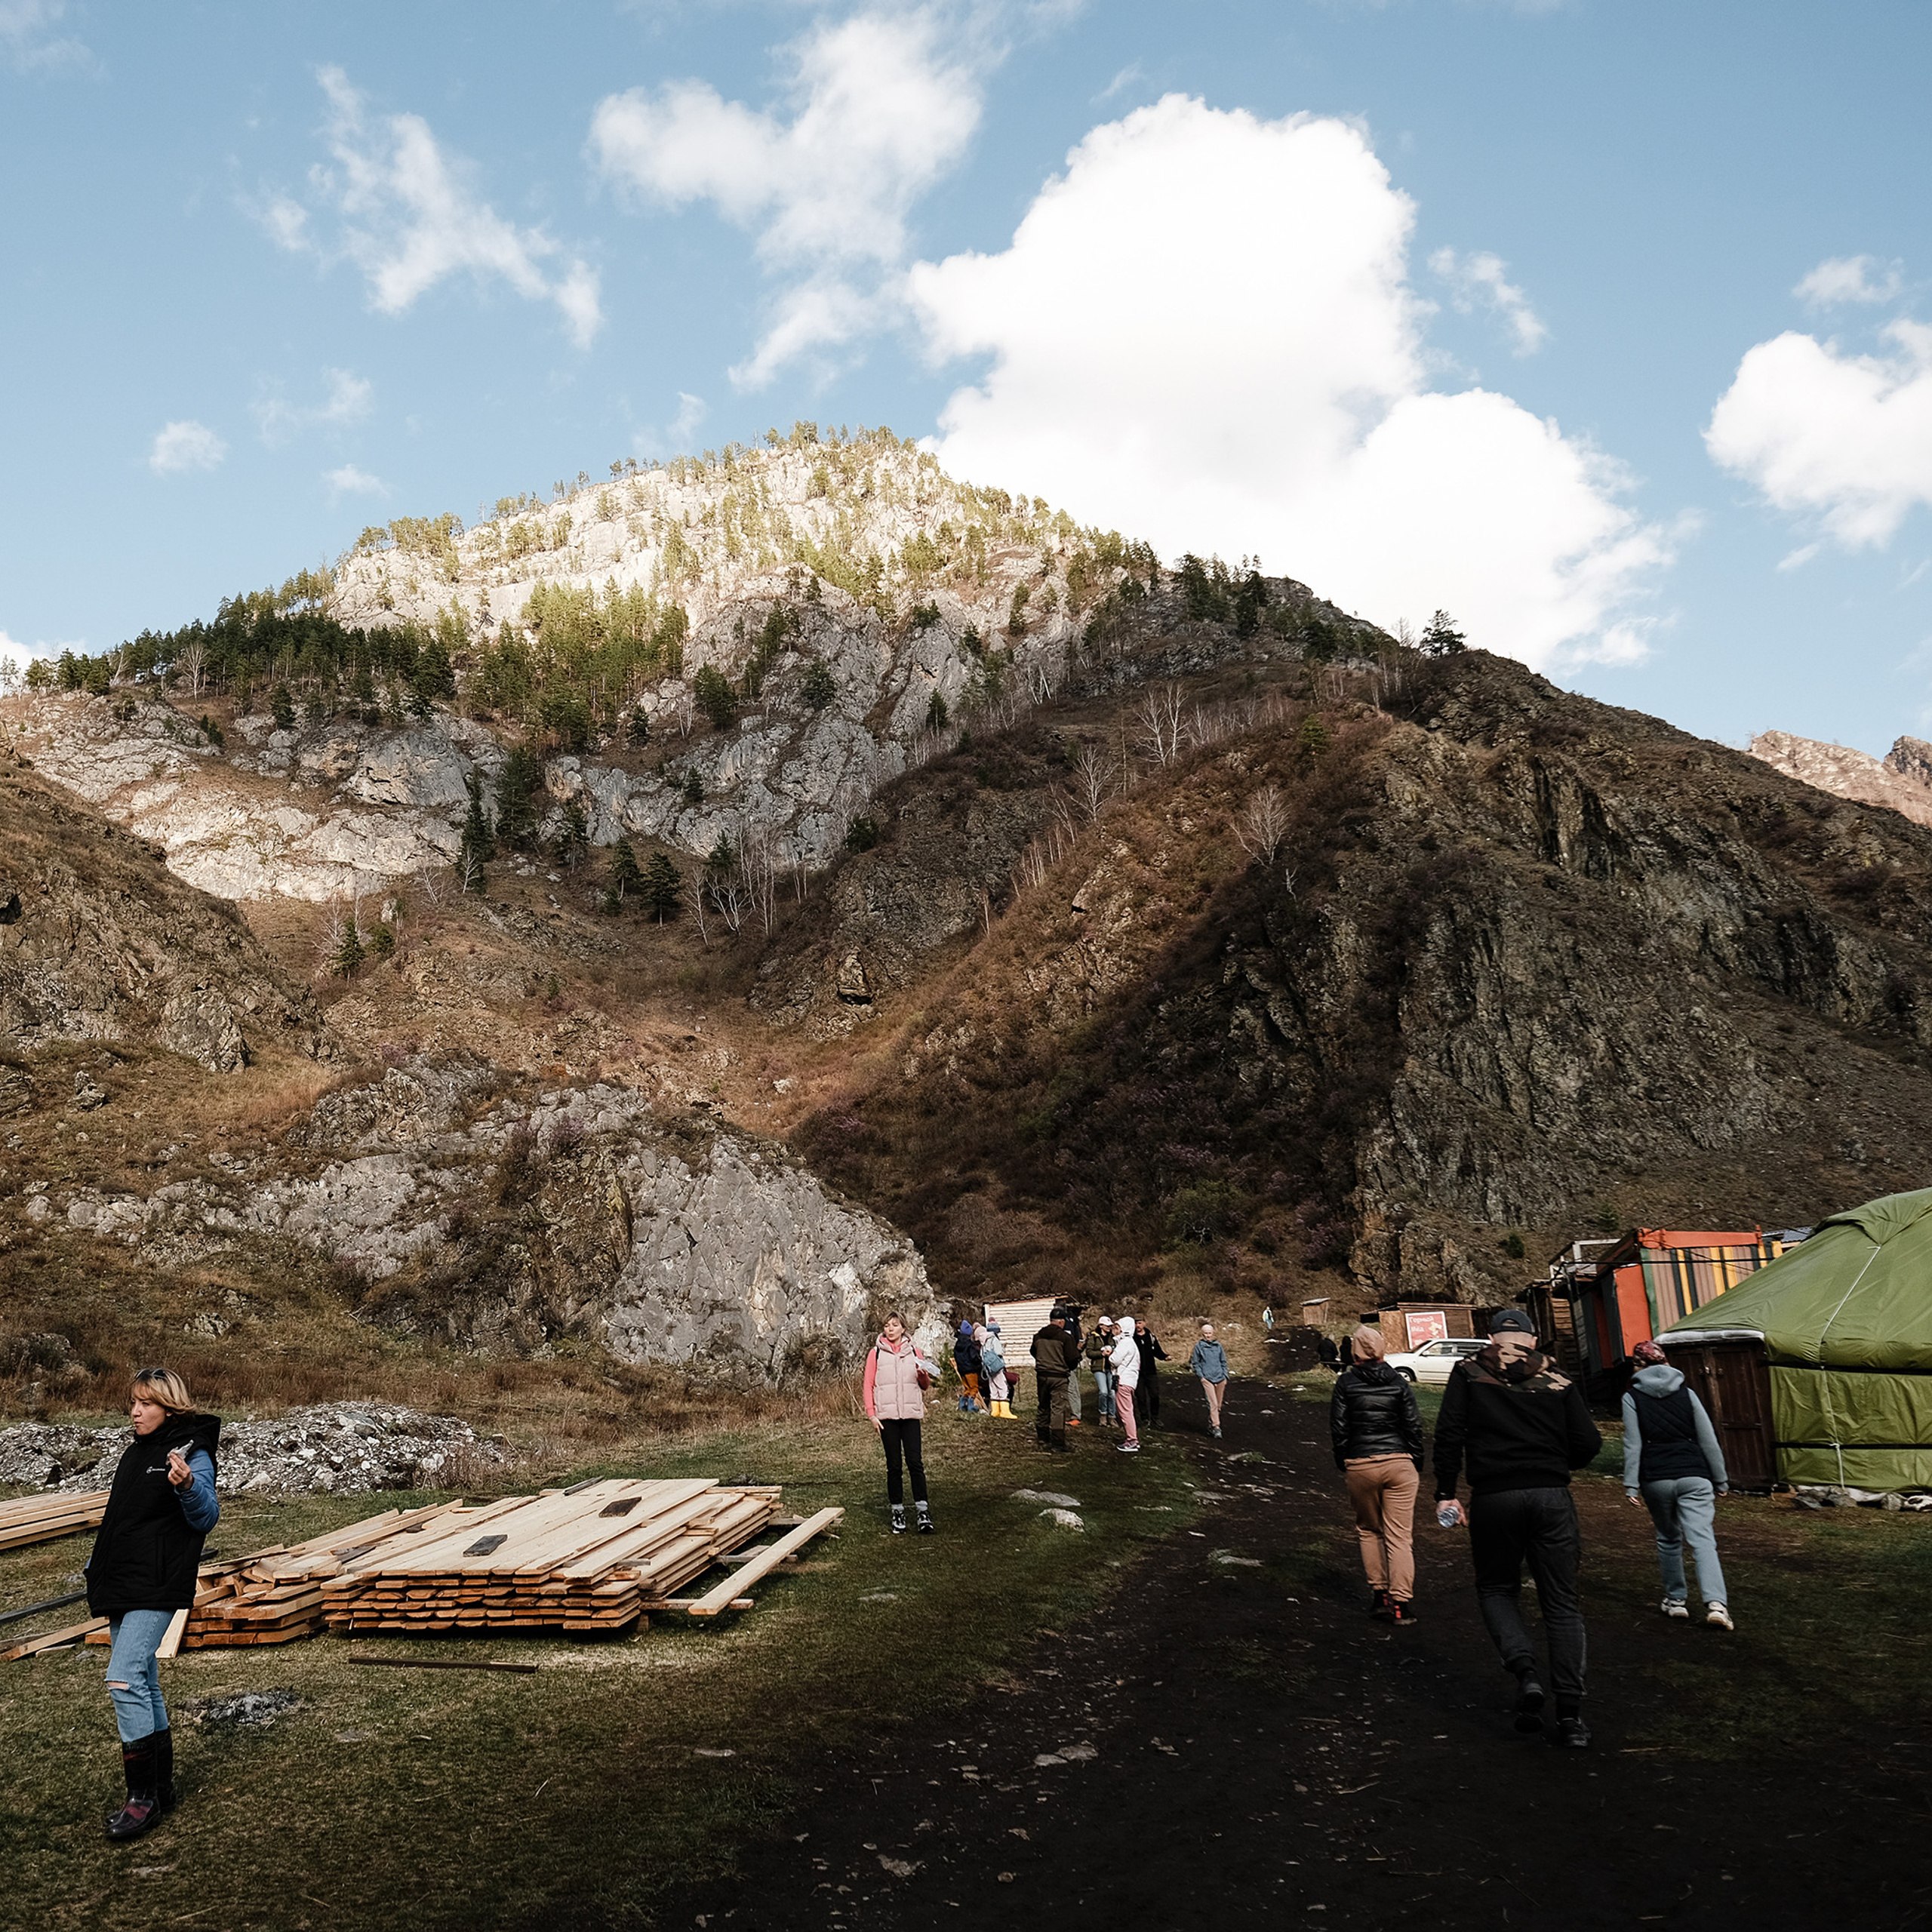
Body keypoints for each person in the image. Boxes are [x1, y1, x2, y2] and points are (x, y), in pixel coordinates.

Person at [1434, 1309, 1602, 1749]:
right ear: (1532, 1339)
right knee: (1562, 1604)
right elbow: (1589, 1443)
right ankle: (1571, 1718)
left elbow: (1449, 1433)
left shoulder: (1469, 1372)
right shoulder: (1558, 1379)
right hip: (1550, 1497)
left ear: (1491, 1338)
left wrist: (1446, 1492)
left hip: (1494, 1498)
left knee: (1496, 1589)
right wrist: (1552, 1464)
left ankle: (1525, 1671)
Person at [86, 1367, 221, 1842]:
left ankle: (140, 1800)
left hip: (157, 1582)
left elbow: (207, 1514)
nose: (135, 1411)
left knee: (122, 1678)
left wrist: (186, 1485)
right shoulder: (135, 1451)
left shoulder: (190, 1450)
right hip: (124, 1581)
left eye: (145, 1403)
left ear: (169, 1407)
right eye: (133, 1402)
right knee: (143, 1679)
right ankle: (160, 1790)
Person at [1623, 1340, 1733, 1629]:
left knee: (1668, 1538)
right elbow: (1707, 1438)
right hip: (1694, 1474)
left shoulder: (1632, 1397)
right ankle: (1716, 1606)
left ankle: (1676, 1601)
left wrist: (1631, 1484)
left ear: (1639, 1365)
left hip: (1656, 1477)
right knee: (1703, 1540)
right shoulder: (1688, 1393)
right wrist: (1720, 1479)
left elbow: (1632, 1444)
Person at [1330, 1325, 1426, 1623]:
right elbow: (1413, 1425)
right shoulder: (1399, 1381)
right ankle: (1401, 1604)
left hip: (1361, 1464)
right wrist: (1416, 1461)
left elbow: (1339, 1429)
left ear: (1354, 1351)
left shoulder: (1345, 1383)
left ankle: (1380, 1596)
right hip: (1400, 1463)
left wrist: (1344, 1461)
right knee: (1400, 1537)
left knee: (1369, 1531)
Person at [864, 1314, 940, 1534]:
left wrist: (923, 1375)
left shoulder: (915, 1352)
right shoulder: (876, 1353)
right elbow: (868, 1384)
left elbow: (924, 1385)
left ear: (903, 1328)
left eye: (895, 1325)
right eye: (887, 1326)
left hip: (910, 1415)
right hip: (887, 1418)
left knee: (915, 1463)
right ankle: (898, 1512)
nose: (890, 1329)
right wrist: (872, 1415)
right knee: (894, 1466)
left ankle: (923, 1512)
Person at [1030, 1306, 1080, 1451]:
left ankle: (1042, 1438)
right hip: (1058, 1376)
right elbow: (1072, 1358)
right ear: (1062, 1322)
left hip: (1042, 1375)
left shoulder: (1038, 1336)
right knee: (1058, 1409)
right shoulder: (1065, 1338)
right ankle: (1058, 1443)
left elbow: (1033, 1351)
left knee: (1043, 1406)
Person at [1190, 1322, 1230, 1437]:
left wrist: (1225, 1376)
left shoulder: (1219, 1346)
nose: (1208, 1335)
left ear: (1213, 1334)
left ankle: (1211, 1424)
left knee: (1218, 1405)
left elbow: (1223, 1362)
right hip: (1207, 1378)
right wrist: (1201, 1377)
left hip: (1220, 1378)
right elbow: (1195, 1363)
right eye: (1206, 1333)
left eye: (1210, 1333)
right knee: (1212, 1403)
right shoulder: (1199, 1347)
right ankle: (1217, 1427)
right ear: (1202, 1334)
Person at [1110, 1315, 1143, 1453]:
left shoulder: (1125, 1343)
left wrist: (1109, 1353)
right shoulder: (1131, 1343)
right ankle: (1132, 1439)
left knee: (1125, 1412)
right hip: (1130, 1381)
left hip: (1123, 1381)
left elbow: (1114, 1360)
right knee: (1128, 1410)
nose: (1115, 1330)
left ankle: (1132, 1440)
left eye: (1117, 1328)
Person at [1135, 1321, 1168, 1428]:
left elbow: (1156, 1350)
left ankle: (1155, 1417)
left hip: (1151, 1371)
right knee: (1141, 1397)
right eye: (1136, 1323)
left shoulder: (1150, 1336)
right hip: (1138, 1372)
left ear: (1144, 1323)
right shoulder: (1132, 1337)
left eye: (1140, 1323)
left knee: (1154, 1395)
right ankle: (1144, 1418)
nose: (1138, 1326)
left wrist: (1164, 1357)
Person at [1087, 1319, 1117, 1426]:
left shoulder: (1112, 1337)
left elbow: (1116, 1349)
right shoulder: (1093, 1337)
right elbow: (1089, 1352)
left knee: (1112, 1393)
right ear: (1101, 1326)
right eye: (1107, 1326)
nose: (1109, 1328)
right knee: (1103, 1392)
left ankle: (1112, 1416)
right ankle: (1103, 1415)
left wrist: (1112, 1351)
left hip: (1111, 1368)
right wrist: (1102, 1354)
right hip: (1099, 1368)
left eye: (1110, 1326)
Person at [980, 1322, 1012, 1420]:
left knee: (993, 1388)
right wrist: (1003, 1350)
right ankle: (1004, 1411)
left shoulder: (983, 1340)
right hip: (996, 1367)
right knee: (1002, 1387)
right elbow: (998, 1352)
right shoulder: (994, 1339)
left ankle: (995, 1411)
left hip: (988, 1368)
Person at [952, 1321, 984, 1416]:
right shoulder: (970, 1344)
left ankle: (962, 1405)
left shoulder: (957, 1344)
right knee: (974, 1388)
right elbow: (973, 1357)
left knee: (967, 1388)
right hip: (970, 1369)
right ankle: (971, 1406)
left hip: (962, 1370)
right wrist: (979, 1361)